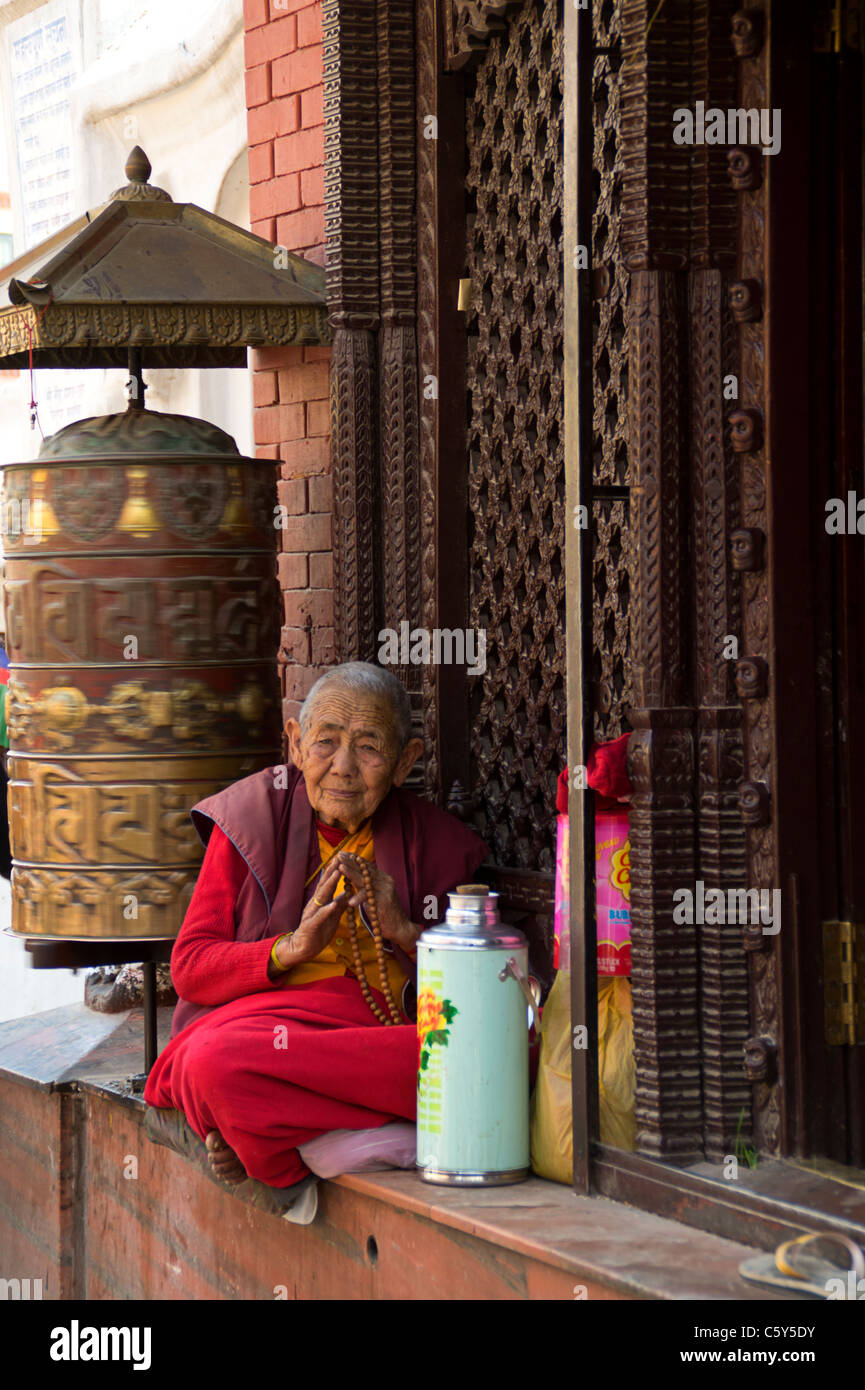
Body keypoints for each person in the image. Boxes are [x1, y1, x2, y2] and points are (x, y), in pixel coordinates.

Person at [144, 662, 488, 1193]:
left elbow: (477, 997)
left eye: (369, 747)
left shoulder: (439, 843)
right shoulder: (251, 817)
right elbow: (190, 969)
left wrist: (404, 931)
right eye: (325, 742)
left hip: (380, 1039)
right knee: (211, 1063)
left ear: (404, 763)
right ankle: (352, 1138)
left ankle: (289, 1139)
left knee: (487, 1059)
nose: (343, 767)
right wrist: (290, 948)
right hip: (271, 1036)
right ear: (296, 744)